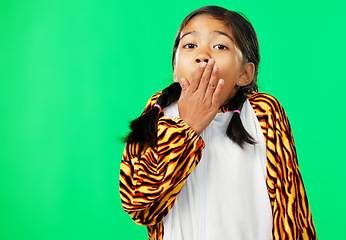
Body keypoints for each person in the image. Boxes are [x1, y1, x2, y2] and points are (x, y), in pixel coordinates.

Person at [119, 5, 317, 240]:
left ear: (245, 74)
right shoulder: (160, 112)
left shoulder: (264, 112)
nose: (201, 55)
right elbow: (139, 206)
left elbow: (290, 206)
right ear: (175, 67)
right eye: (190, 45)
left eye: (220, 46)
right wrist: (187, 129)